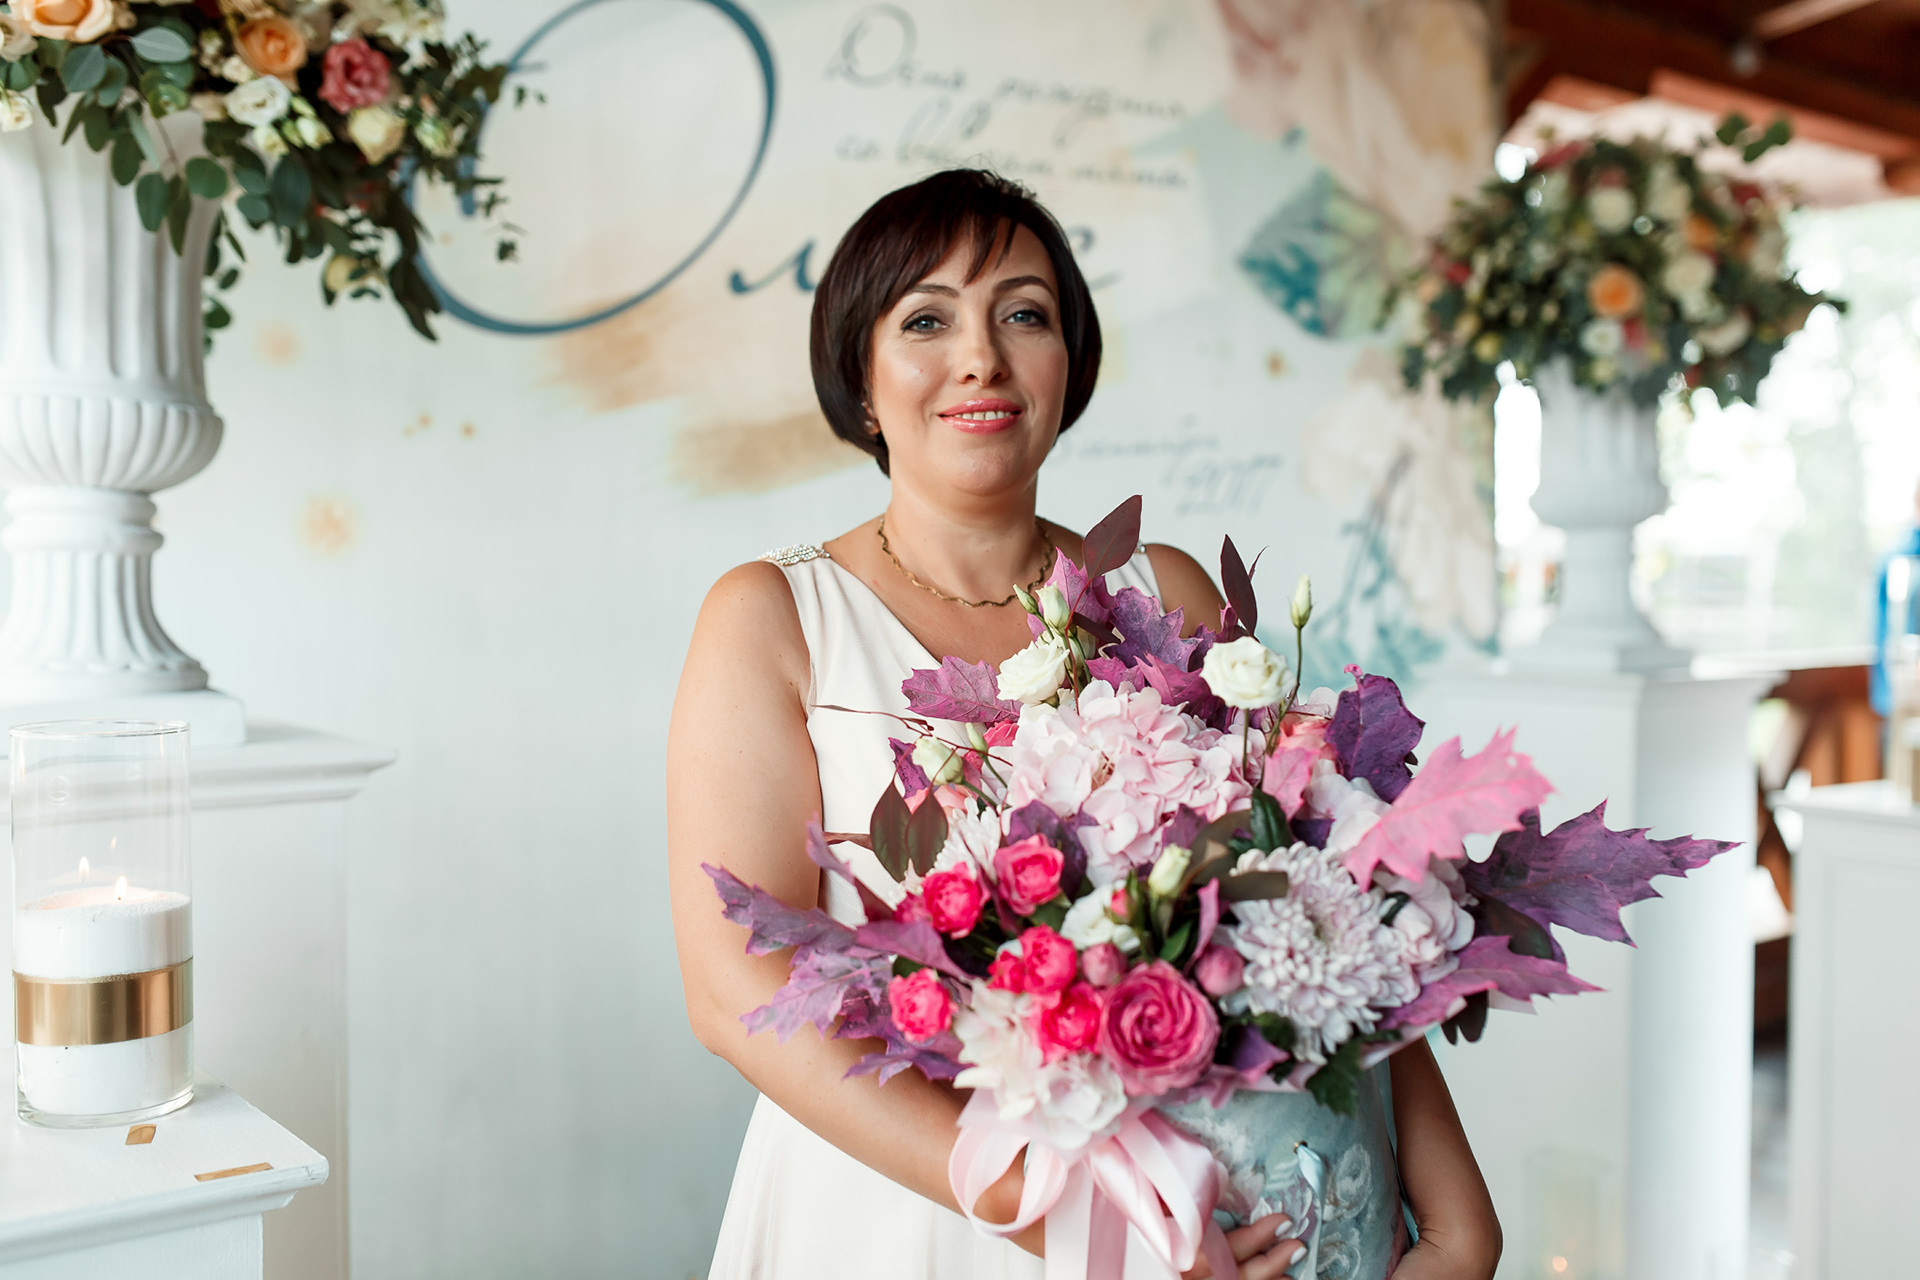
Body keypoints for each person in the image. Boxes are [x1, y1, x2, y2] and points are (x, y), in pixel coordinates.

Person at [667, 169, 1501, 1280]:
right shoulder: (773, 615)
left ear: (1070, 362)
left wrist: (1451, 1210)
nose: (981, 357)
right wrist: (1061, 1210)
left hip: (1217, 1208)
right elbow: (733, 989)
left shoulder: (1164, 592)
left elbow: (1318, 901)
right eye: (927, 320)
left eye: (1024, 314)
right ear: (859, 380)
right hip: (913, 1209)